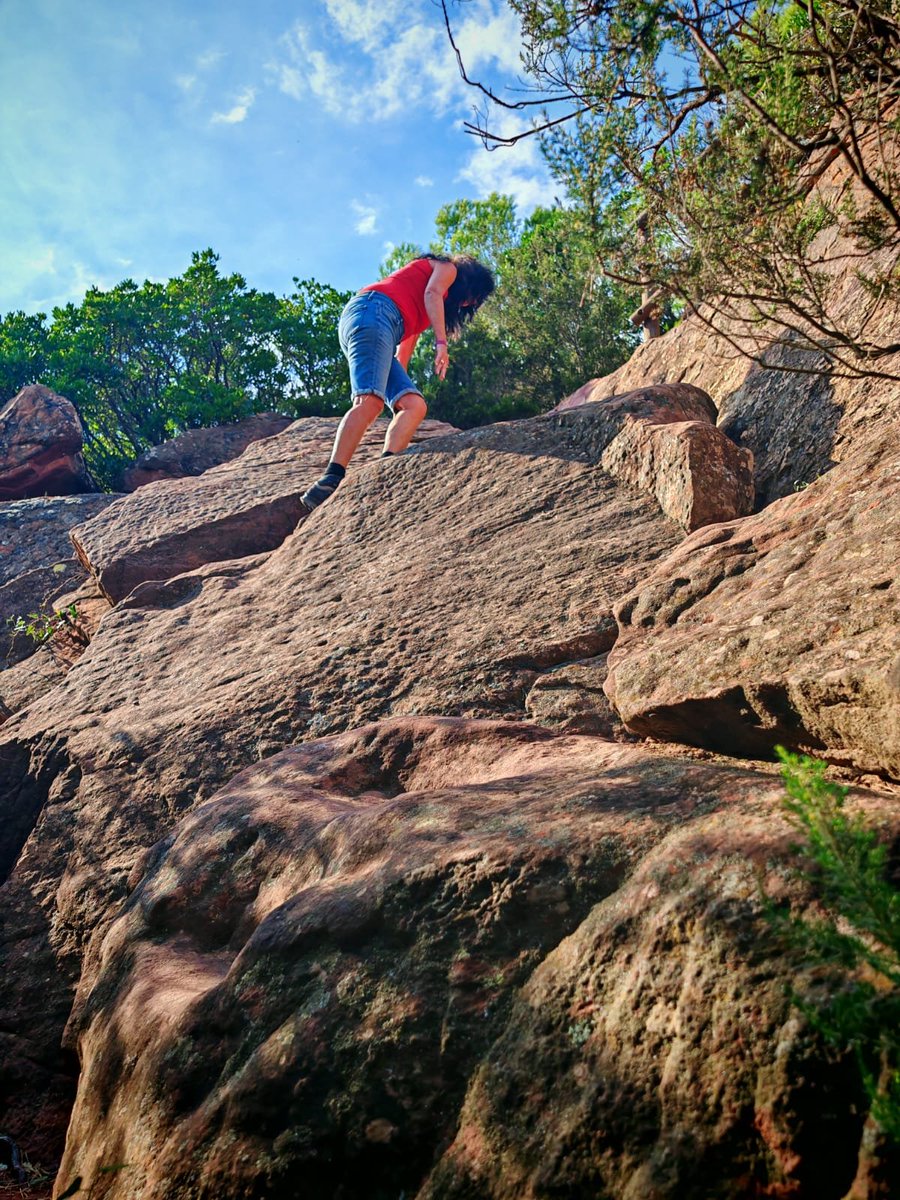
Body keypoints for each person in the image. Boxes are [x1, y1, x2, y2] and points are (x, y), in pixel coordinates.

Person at [299, 253, 495, 512]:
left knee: (413, 406)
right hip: (374, 311)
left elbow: (405, 346)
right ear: (470, 283)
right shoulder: (448, 269)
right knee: (370, 402)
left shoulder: (424, 307)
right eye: (476, 296)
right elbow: (432, 294)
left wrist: (395, 393)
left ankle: (386, 467)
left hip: (378, 321)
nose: (471, 303)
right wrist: (441, 344)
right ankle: (330, 478)